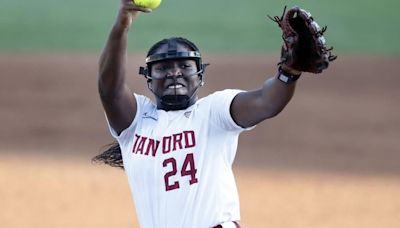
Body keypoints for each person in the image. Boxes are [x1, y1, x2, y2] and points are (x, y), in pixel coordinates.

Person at [94, 1, 334, 228]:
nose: (174, 73)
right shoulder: (135, 122)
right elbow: (109, 88)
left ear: (200, 75)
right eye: (163, 68)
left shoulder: (214, 111)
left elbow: (267, 101)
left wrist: (288, 73)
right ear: (148, 78)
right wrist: (123, 21)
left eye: (184, 66)